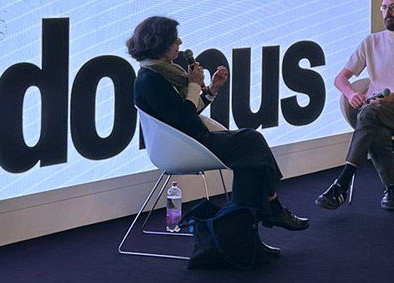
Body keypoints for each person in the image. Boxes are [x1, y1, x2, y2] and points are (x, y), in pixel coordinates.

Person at [127, 17, 309, 255]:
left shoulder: (164, 73)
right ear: (159, 43)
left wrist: (212, 89)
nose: (180, 43)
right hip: (183, 146)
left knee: (250, 160)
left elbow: (187, 114)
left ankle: (247, 239)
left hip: (190, 139)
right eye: (174, 39)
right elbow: (183, 118)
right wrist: (194, 85)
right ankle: (272, 208)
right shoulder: (150, 79)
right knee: (251, 142)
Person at [315, 0, 394, 211]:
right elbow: (340, 79)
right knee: (376, 126)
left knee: (370, 113)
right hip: (374, 110)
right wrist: (352, 94)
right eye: (384, 7)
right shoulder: (371, 42)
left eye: (393, 7)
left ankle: (343, 182)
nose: (387, 13)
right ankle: (391, 190)